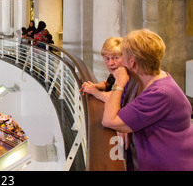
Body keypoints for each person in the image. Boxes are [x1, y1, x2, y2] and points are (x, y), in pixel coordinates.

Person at [102, 29, 193, 171]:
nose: (118, 62)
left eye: (122, 55)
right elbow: (117, 107)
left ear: (131, 62)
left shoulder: (160, 93)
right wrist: (125, 123)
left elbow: (109, 119)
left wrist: (119, 82)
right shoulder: (141, 81)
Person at [81, 36, 139, 171]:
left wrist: (95, 92)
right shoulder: (116, 74)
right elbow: (108, 83)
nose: (110, 63)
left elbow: (115, 98)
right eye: (107, 58)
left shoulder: (127, 76)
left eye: (115, 58)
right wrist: (95, 85)